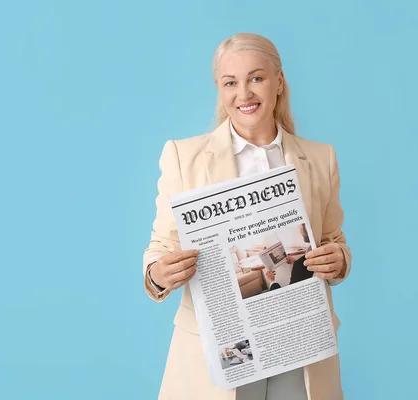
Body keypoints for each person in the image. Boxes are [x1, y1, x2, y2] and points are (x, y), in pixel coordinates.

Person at [142, 33, 352, 400]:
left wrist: (340, 260)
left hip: (299, 342)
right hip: (222, 352)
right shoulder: (182, 157)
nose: (244, 93)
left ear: (279, 82)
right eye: (230, 83)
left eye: (256, 78)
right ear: (220, 90)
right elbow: (160, 247)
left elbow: (334, 239)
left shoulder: (321, 158)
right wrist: (158, 274)